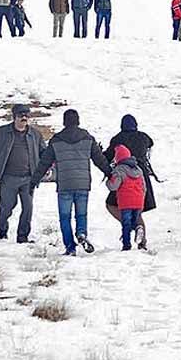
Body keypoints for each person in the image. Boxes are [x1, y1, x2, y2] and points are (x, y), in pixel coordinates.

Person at [30, 109, 112, 256]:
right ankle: (81, 233)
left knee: (65, 217)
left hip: (65, 185)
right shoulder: (88, 138)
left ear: (64, 122)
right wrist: (109, 173)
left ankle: (70, 247)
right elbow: (99, 159)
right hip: (82, 184)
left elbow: (44, 163)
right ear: (78, 121)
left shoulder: (56, 140)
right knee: (81, 215)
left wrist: (34, 181)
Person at [0, 104, 46, 243]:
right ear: (14, 117)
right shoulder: (2, 132)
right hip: (8, 178)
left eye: (26, 116)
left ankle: (22, 237)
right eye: (20, 116)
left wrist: (43, 167)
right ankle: (3, 231)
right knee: (6, 207)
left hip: (28, 178)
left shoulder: (35, 134)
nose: (24, 118)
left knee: (28, 208)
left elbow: (44, 153)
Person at [103, 114, 157, 250]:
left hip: (123, 177)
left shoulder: (118, 139)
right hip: (141, 175)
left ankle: (131, 227)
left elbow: (107, 157)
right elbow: (151, 142)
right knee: (137, 210)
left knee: (111, 205)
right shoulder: (143, 137)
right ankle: (142, 240)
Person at [106, 145, 146, 251]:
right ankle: (139, 228)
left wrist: (108, 182)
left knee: (126, 224)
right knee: (135, 219)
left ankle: (126, 245)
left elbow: (114, 186)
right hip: (138, 201)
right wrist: (142, 197)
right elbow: (143, 186)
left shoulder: (119, 170)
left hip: (125, 202)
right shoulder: (138, 170)